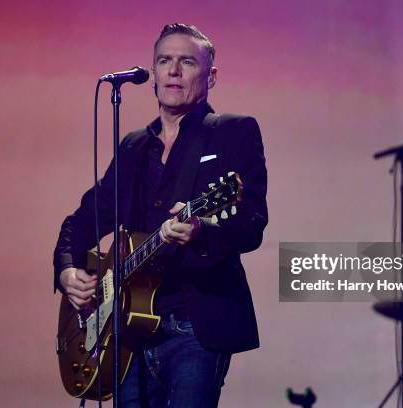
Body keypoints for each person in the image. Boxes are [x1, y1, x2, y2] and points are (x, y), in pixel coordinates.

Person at [53, 23, 268, 407]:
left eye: (187, 61)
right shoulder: (135, 146)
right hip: (127, 335)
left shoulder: (232, 132)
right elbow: (83, 221)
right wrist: (68, 271)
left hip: (194, 326)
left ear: (211, 76)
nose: (173, 70)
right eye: (164, 61)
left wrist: (202, 229)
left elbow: (251, 223)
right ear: (151, 75)